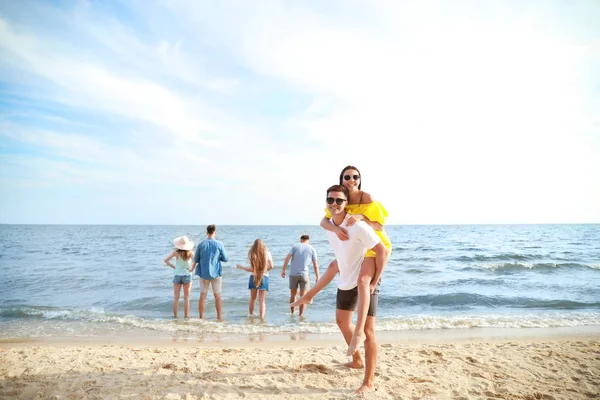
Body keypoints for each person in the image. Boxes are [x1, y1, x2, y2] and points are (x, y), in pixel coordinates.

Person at [292, 184, 388, 394]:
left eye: (339, 200)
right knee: (342, 321)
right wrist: (309, 295)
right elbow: (337, 263)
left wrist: (375, 281)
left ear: (346, 204)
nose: (334, 204)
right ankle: (357, 360)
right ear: (326, 202)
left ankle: (368, 382)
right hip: (347, 277)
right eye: (330, 200)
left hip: (366, 278)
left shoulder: (358, 226)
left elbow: (382, 250)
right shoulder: (331, 229)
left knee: (368, 331)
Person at [318, 165, 392, 356]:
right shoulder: (340, 198)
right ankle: (356, 354)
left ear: (360, 179)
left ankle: (359, 332)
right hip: (357, 247)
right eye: (347, 177)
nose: (352, 180)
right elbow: (324, 221)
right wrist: (335, 230)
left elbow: (380, 226)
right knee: (337, 269)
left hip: (374, 247)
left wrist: (361, 217)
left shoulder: (367, 198)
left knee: (363, 282)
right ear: (341, 179)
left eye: (355, 177)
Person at [191, 224, 228, 321]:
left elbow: (196, 259)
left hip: (203, 273)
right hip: (216, 273)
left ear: (207, 233)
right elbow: (225, 258)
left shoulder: (201, 244)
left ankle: (201, 317)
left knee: (203, 295)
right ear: (215, 232)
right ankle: (219, 317)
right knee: (217, 295)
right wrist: (217, 257)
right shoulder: (219, 244)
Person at [281, 234, 320, 316]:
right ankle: (300, 315)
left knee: (293, 294)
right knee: (303, 296)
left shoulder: (295, 246)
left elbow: (287, 258)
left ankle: (292, 313)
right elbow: (315, 264)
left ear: (301, 240)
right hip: (304, 275)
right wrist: (317, 276)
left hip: (293, 274)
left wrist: (283, 270)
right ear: (308, 240)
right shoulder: (312, 249)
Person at [236, 239, 274, 321]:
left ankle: (251, 316)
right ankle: (262, 319)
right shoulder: (267, 253)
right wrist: (264, 271)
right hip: (264, 277)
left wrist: (241, 267)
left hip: (253, 277)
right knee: (262, 300)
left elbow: (252, 270)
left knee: (252, 299)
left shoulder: (253, 254)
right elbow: (271, 266)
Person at [163, 236, 195, 318]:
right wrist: (191, 269)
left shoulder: (176, 252)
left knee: (176, 298)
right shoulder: (190, 252)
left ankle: (175, 316)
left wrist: (174, 267)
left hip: (177, 276)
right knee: (186, 298)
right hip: (187, 276)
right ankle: (186, 317)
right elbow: (196, 261)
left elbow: (166, 260)